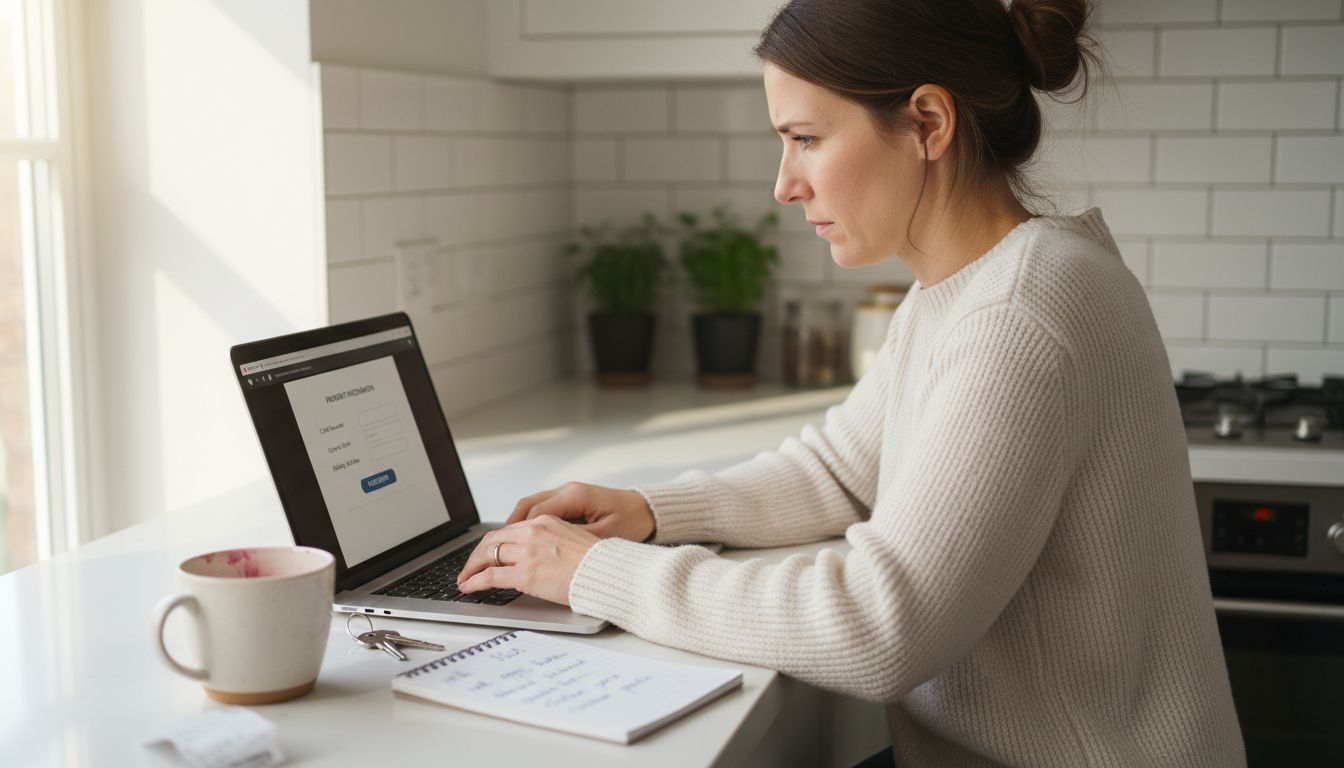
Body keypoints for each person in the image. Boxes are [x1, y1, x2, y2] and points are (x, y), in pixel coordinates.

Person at [456, 0, 1246, 764]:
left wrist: (594, 573)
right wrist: (651, 511)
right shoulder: (967, 287)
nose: (785, 184)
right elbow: (839, 468)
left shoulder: (1024, 311)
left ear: (929, 123)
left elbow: (878, 629)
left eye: (805, 139)